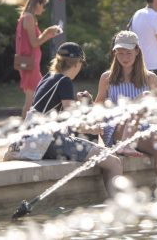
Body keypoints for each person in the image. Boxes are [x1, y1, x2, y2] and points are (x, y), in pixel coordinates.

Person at [29, 42, 122, 197]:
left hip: (37, 141)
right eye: (82, 63)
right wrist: (92, 129)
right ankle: (119, 207)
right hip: (52, 143)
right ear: (78, 62)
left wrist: (79, 105)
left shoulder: (46, 79)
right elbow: (73, 122)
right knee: (114, 162)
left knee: (106, 156)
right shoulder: (64, 81)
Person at [95, 30, 157, 185]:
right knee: (146, 96)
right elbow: (97, 106)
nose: (124, 58)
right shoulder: (107, 77)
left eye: (128, 53)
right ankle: (125, 144)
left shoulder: (150, 78)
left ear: (137, 51)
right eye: (120, 53)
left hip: (142, 128)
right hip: (116, 128)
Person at [15, 0, 61, 118]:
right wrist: (47, 32)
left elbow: (35, 42)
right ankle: (24, 131)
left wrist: (49, 34)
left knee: (35, 97)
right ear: (37, 4)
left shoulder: (26, 17)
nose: (43, 9)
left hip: (28, 62)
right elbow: (34, 43)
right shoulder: (29, 17)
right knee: (30, 100)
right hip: (30, 64)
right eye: (43, 5)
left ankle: (29, 127)